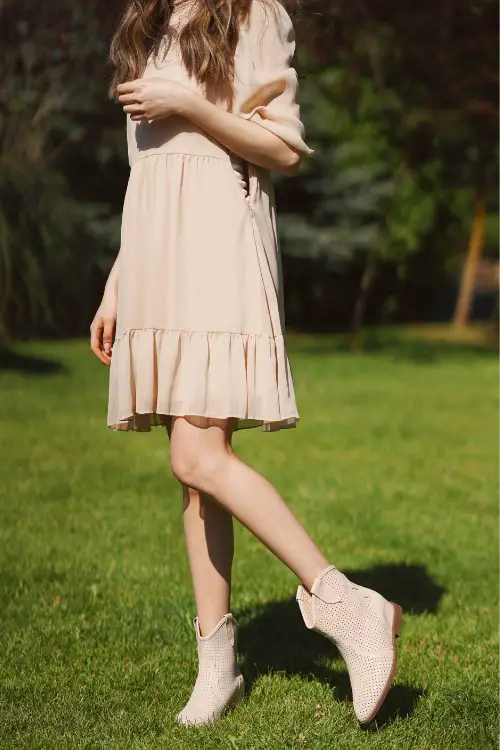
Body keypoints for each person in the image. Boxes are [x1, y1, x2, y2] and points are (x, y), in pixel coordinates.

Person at [90, 0, 402, 728]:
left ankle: (346, 603)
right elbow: (151, 171)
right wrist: (118, 281)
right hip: (158, 261)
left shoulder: (253, 12)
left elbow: (284, 148)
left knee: (197, 452)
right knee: (195, 474)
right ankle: (217, 667)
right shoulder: (147, 23)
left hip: (219, 247)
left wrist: (188, 103)